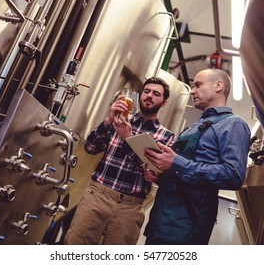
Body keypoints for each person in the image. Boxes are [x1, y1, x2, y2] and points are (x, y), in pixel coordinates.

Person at [143, 69, 251, 245]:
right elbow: (182, 172)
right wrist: (160, 176)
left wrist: (175, 161)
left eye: (198, 85)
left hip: (188, 225)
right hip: (161, 220)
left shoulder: (233, 124)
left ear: (218, 86)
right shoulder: (195, 126)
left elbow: (234, 176)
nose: (192, 91)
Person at [64, 77, 175, 245]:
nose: (149, 96)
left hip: (130, 207)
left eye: (156, 94)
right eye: (146, 91)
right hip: (99, 195)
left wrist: (128, 138)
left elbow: (152, 170)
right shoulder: (120, 119)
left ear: (164, 102)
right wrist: (108, 120)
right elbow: (90, 148)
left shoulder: (166, 136)